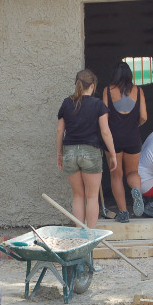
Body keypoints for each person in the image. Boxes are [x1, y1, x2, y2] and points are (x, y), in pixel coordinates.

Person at [56, 69, 118, 229]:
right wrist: (112, 154)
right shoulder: (98, 105)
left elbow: (59, 131)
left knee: (78, 196)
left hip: (70, 152)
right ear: (92, 85)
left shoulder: (66, 103)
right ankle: (91, 236)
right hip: (90, 152)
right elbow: (105, 131)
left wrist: (59, 153)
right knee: (92, 197)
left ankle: (79, 234)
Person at [102, 61, 147, 223]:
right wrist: (133, 126)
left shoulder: (107, 91)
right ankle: (135, 189)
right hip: (133, 137)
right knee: (132, 172)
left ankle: (123, 213)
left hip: (113, 139)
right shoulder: (139, 91)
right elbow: (143, 116)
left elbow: (104, 117)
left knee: (116, 175)